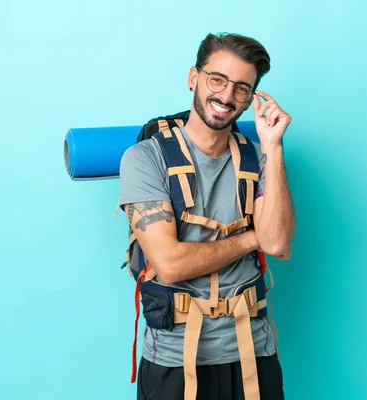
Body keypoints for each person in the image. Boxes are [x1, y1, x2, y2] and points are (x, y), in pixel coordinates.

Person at [118, 32, 295, 400]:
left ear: (251, 99)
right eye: (217, 79)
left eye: (242, 88)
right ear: (193, 78)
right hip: (173, 360)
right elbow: (168, 264)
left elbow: (276, 241)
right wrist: (249, 238)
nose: (227, 96)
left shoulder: (259, 158)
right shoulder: (145, 159)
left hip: (252, 352)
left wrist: (273, 147)